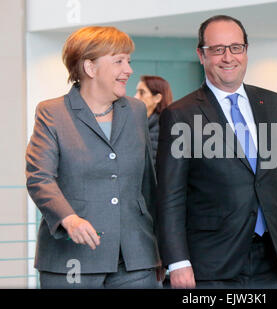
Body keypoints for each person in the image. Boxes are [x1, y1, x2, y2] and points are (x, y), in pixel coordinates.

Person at [155, 15, 277, 289]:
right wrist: (177, 261)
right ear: (201, 55)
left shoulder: (272, 103)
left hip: (268, 257)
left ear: (246, 51)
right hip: (210, 263)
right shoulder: (181, 114)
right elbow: (170, 196)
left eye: (235, 48)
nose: (228, 57)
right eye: (217, 49)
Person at [26, 26, 164, 288]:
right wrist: (69, 219)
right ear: (90, 68)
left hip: (136, 258)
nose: (129, 70)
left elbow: (148, 182)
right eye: (119, 62)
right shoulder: (52, 113)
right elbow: (39, 176)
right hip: (73, 257)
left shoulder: (135, 111)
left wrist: (159, 248)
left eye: (128, 61)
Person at [134, 75, 173, 164]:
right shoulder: (139, 122)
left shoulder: (164, 126)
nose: (136, 97)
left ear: (157, 98)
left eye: (142, 92)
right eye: (137, 92)